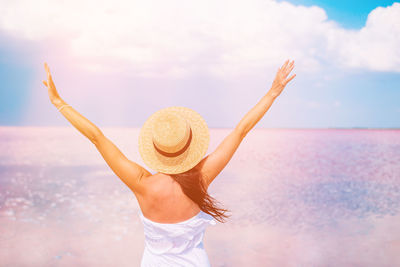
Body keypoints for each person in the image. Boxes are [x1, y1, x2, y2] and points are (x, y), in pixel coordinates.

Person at [42, 59, 295, 266]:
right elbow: (241, 131)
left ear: (155, 148)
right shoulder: (202, 177)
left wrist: (59, 103)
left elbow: (97, 138)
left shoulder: (142, 183)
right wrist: (272, 92)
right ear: (190, 146)